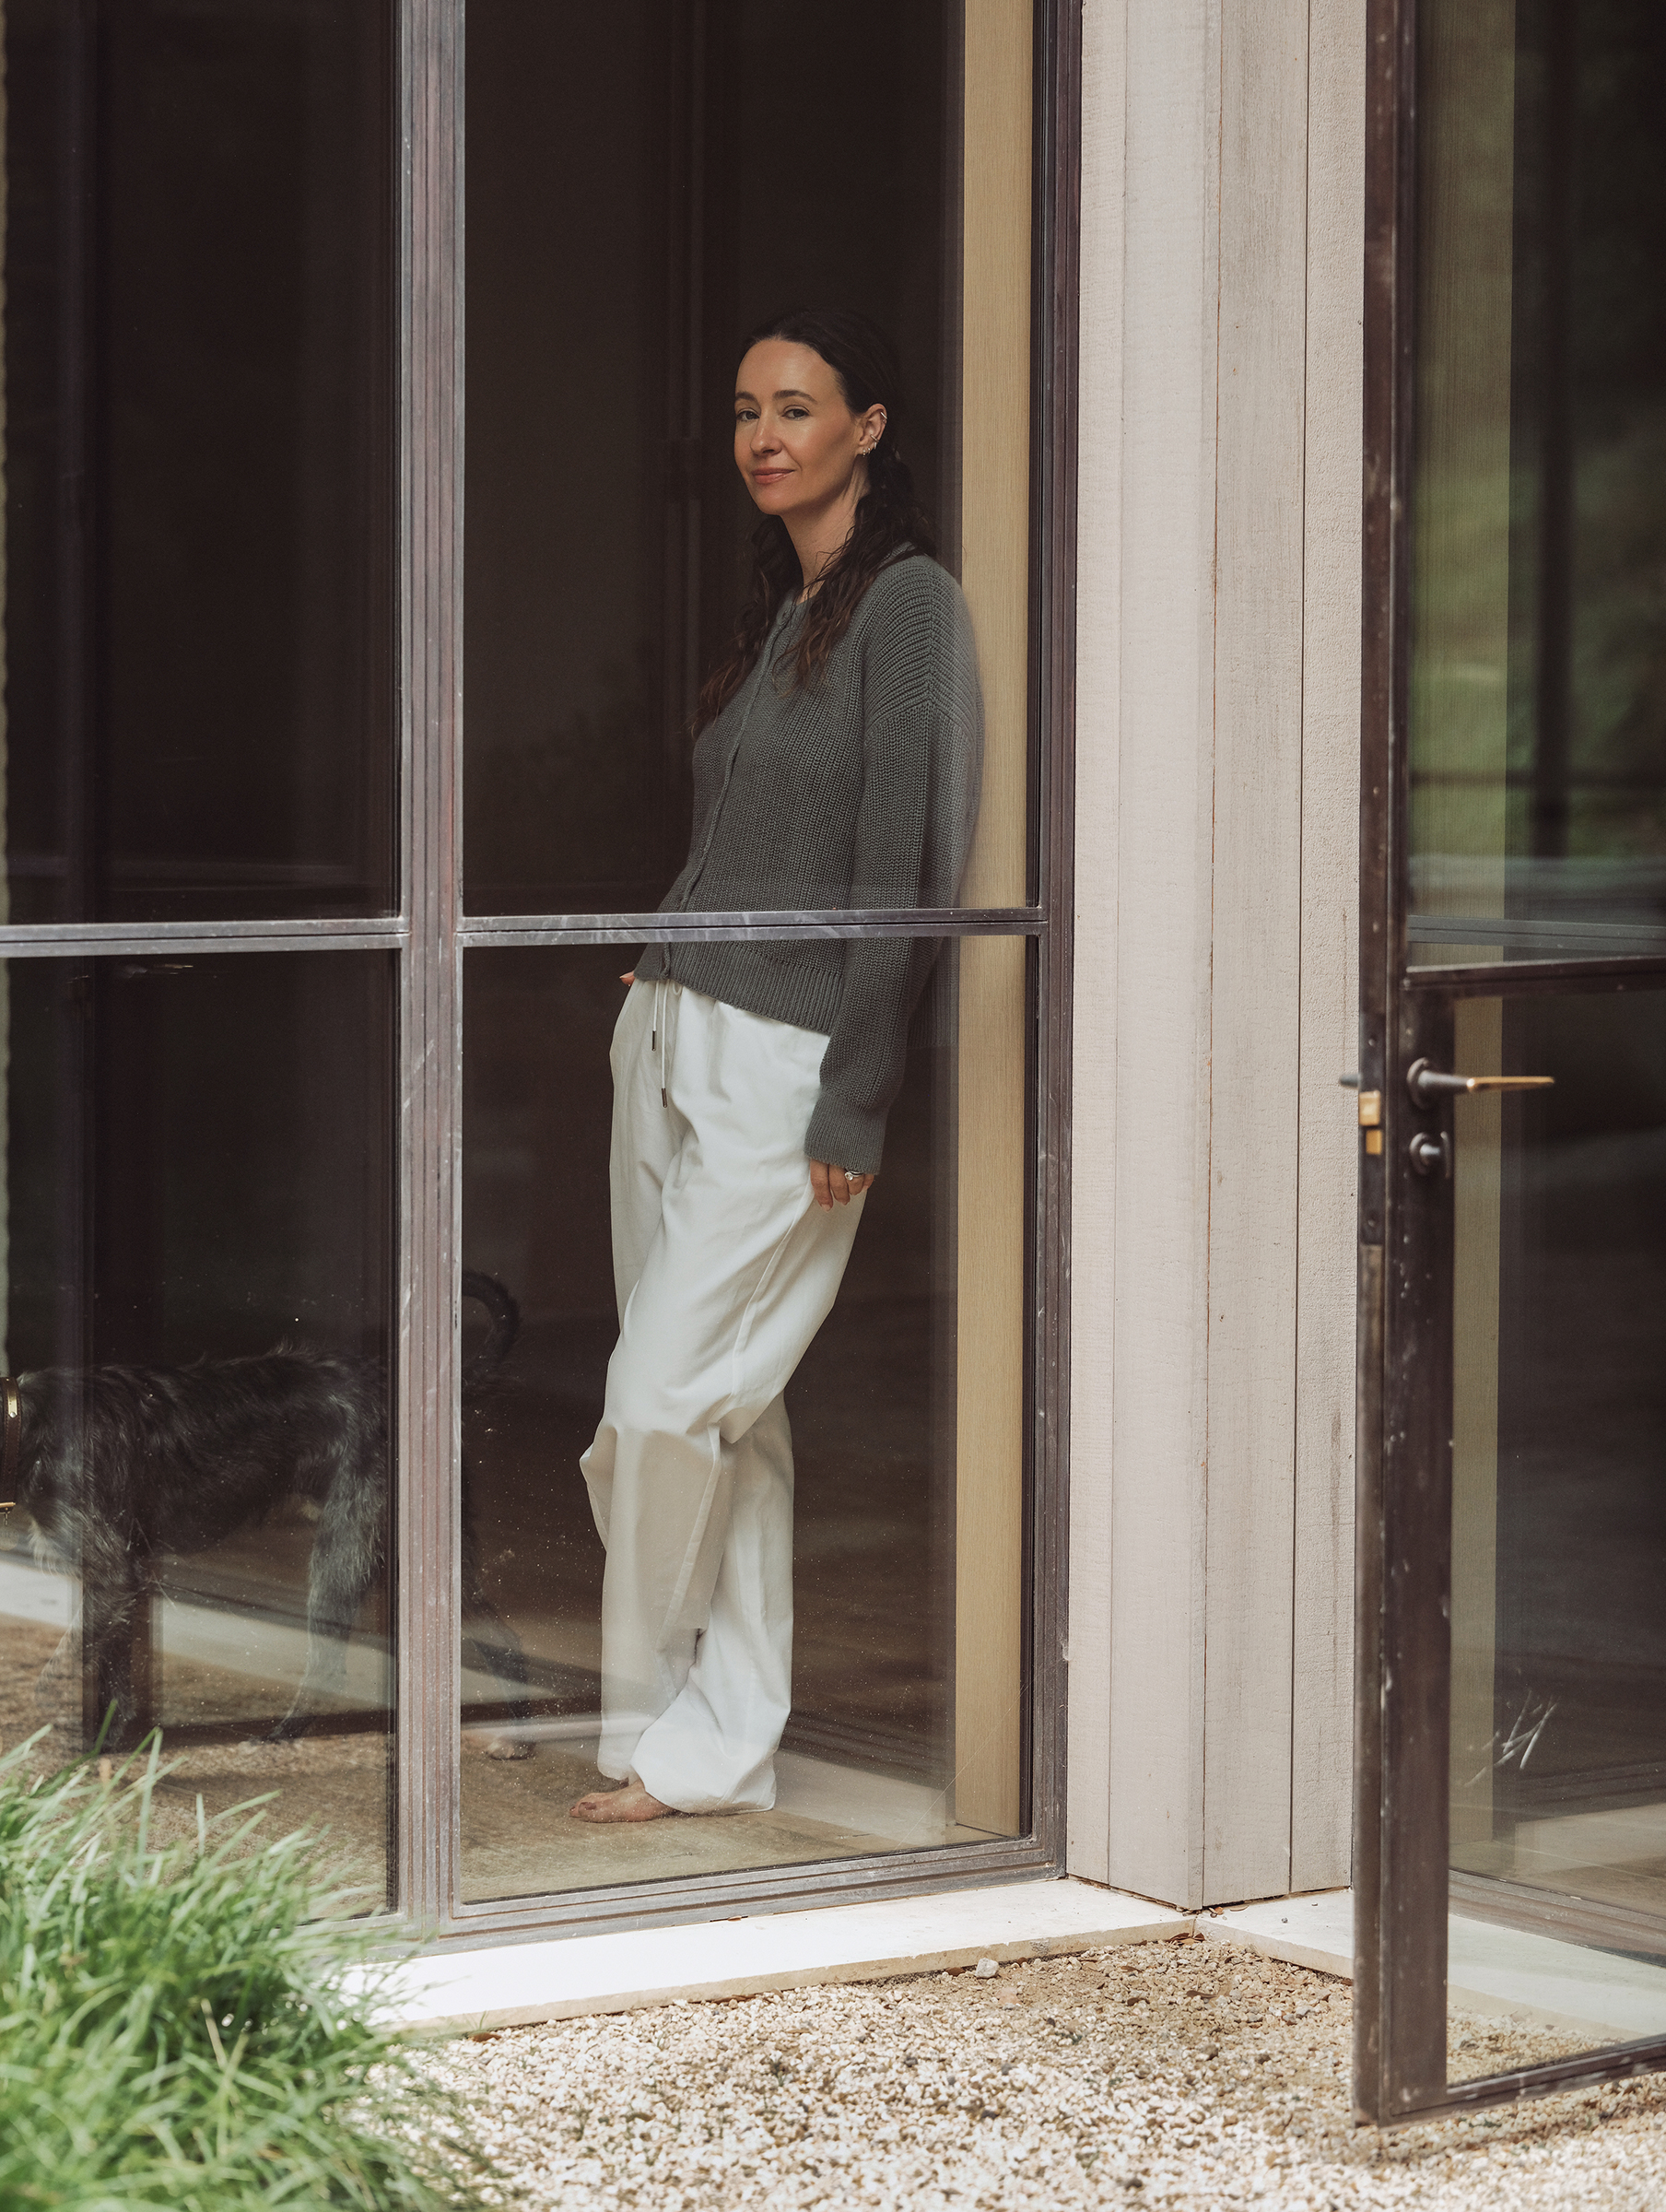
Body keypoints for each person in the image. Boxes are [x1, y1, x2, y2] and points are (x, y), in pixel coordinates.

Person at [569, 307, 982, 1825]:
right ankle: (685, 1738)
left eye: (797, 408)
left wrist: (858, 1086)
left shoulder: (910, 610)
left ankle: (683, 1712)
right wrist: (668, 946)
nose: (763, 434)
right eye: (746, 408)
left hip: (789, 1062)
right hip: (676, 1030)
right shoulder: (787, 607)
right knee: (730, 1412)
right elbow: (739, 835)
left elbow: (905, 863)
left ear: (867, 429)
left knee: (663, 1398)